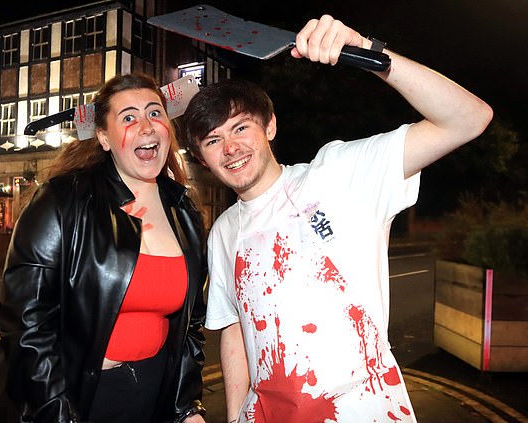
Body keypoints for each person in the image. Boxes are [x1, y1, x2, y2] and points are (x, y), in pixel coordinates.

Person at [181, 15, 492, 423]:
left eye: (241, 127)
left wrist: (369, 53)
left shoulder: (339, 173)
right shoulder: (223, 231)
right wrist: (239, 415)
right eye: (213, 140)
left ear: (270, 126)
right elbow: (236, 330)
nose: (231, 148)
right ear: (203, 158)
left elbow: (469, 119)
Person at [0, 73, 208, 423]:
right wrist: (56, 413)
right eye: (128, 117)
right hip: (77, 399)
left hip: (153, 398)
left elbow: (191, 326)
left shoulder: (184, 212)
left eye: (155, 113)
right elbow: (25, 326)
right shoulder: (62, 200)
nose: (146, 126)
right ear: (103, 137)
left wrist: (186, 407)